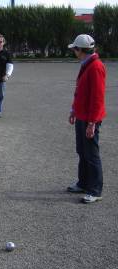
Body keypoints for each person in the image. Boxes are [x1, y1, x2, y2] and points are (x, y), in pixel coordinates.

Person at [66, 34, 106, 204]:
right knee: (82, 151)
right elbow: (80, 92)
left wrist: (92, 123)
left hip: (90, 118)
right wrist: (74, 110)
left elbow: (97, 98)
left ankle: (95, 190)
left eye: (75, 48)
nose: (74, 51)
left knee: (91, 154)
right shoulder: (86, 64)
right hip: (82, 115)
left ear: (81, 50)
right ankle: (83, 183)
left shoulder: (95, 67)